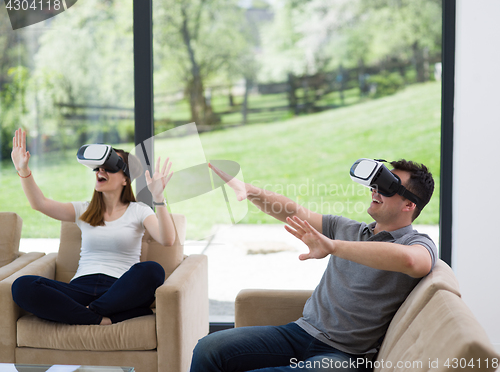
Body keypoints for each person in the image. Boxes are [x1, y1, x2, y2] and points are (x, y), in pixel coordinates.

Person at [190, 159, 437, 371]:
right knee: (209, 348)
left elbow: (411, 261)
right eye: (376, 184)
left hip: (346, 356)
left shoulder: (417, 243)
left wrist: (334, 247)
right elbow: (294, 212)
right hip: (299, 332)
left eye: (387, 186)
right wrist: (251, 191)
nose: (375, 190)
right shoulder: (347, 229)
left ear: (409, 205)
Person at [10, 128, 176, 326]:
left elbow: (167, 239)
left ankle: (86, 313)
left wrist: (158, 198)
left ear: (125, 179)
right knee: (22, 286)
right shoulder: (83, 210)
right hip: (79, 289)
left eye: (109, 166)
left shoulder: (139, 210)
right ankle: (103, 318)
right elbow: (40, 203)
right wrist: (23, 170)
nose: (100, 171)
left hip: (119, 290)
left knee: (152, 270)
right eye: (98, 167)